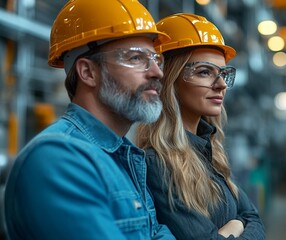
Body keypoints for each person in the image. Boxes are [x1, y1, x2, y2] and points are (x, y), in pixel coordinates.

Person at [4, 0, 176, 239]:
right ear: (88, 72)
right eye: (136, 58)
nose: (157, 72)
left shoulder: (124, 157)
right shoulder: (58, 158)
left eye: (156, 60)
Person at [136, 13, 265, 239]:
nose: (222, 85)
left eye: (223, 73)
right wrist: (237, 224)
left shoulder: (208, 150)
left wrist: (232, 230)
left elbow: (254, 217)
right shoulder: (158, 163)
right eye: (205, 72)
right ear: (169, 79)